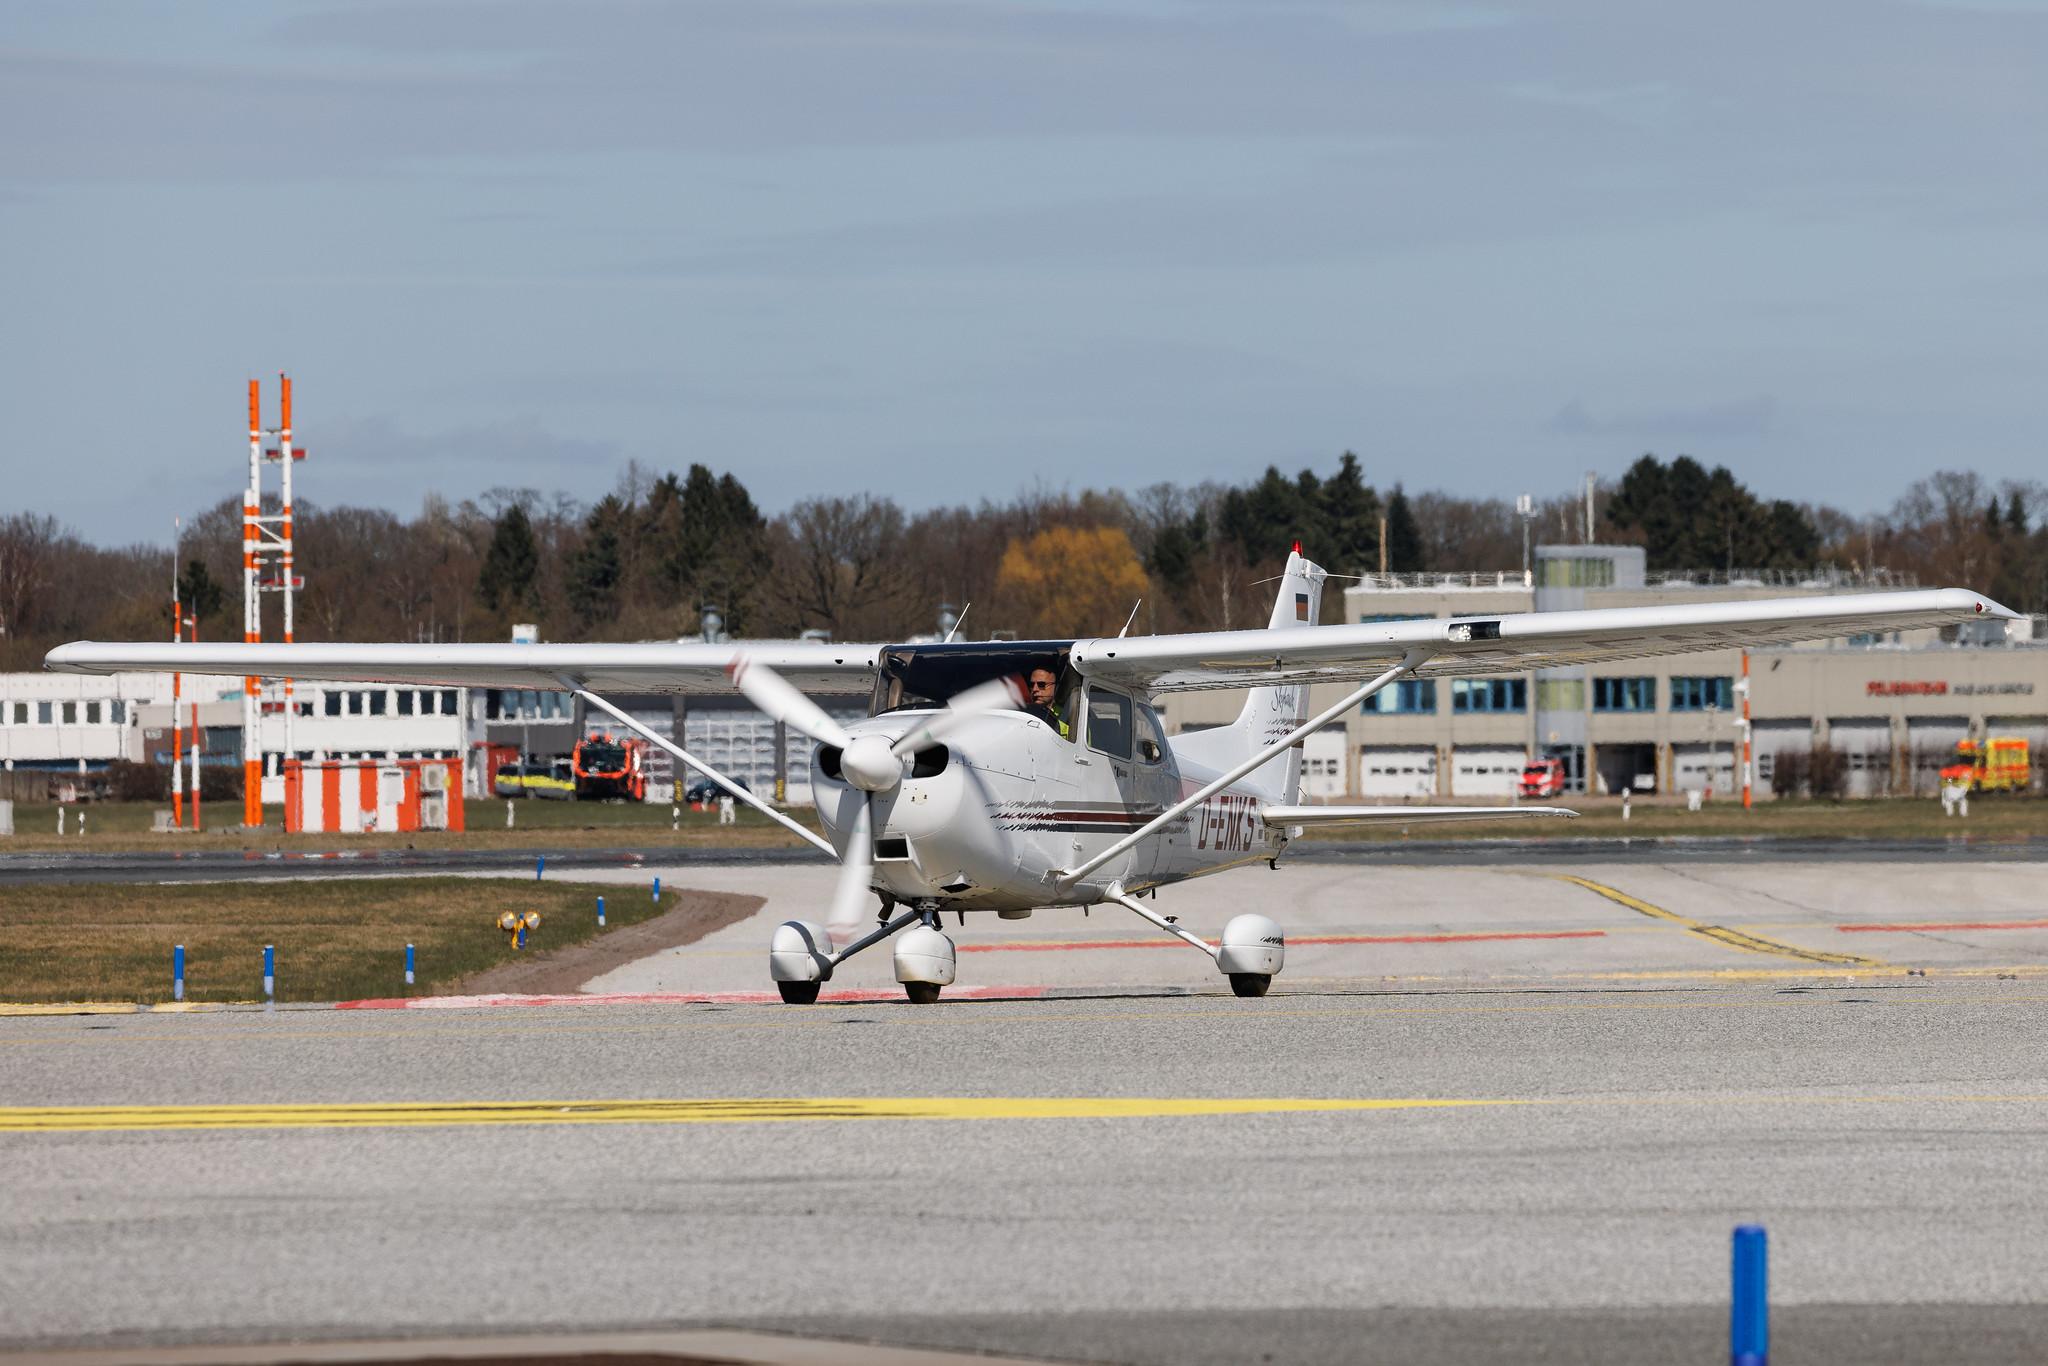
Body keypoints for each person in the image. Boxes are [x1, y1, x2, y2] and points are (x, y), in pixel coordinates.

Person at [1023, 667, 1069, 738]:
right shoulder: (1021, 713)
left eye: (1041, 685)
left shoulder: (1068, 716)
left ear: (1056, 687)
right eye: (1031, 685)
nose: (1034, 689)